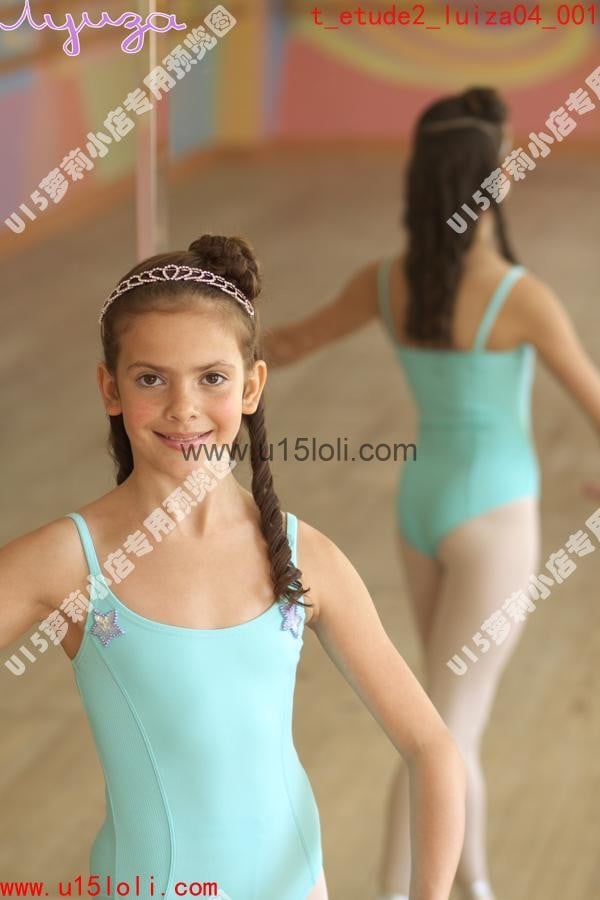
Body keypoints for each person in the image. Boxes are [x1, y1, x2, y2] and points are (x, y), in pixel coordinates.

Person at [0, 234, 465, 900]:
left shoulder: (304, 558)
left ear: (251, 387)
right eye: (150, 378)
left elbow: (431, 748)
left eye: (211, 378)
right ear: (110, 388)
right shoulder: (72, 561)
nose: (183, 406)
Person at [263, 88, 600, 900]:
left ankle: (474, 883)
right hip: (494, 518)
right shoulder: (517, 295)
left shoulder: (385, 282)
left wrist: (193, 353)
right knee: (441, 735)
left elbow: (287, 344)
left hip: (420, 507)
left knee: (451, 722)